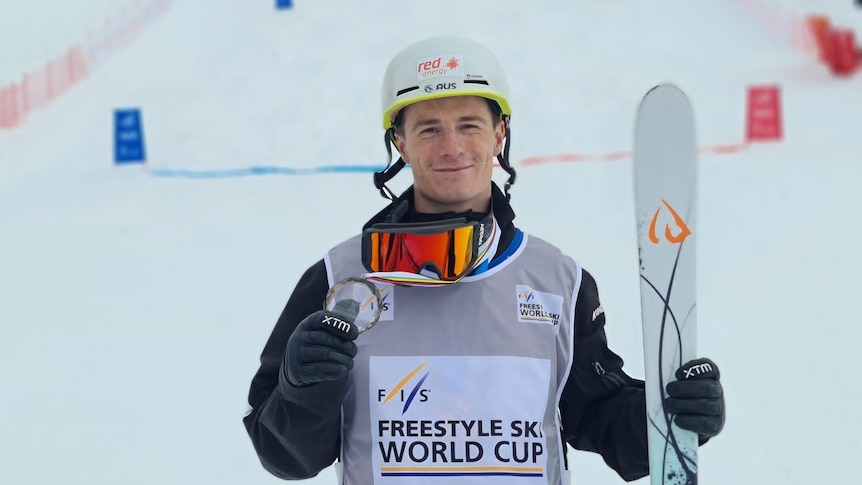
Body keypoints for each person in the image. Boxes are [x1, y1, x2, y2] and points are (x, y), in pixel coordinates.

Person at [243, 36, 725, 484]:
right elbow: (284, 453)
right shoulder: (339, 278)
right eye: (428, 129)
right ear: (400, 144)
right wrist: (300, 387)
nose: (451, 148)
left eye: (469, 125)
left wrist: (671, 416)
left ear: (499, 135)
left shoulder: (558, 280)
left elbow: (597, 416)